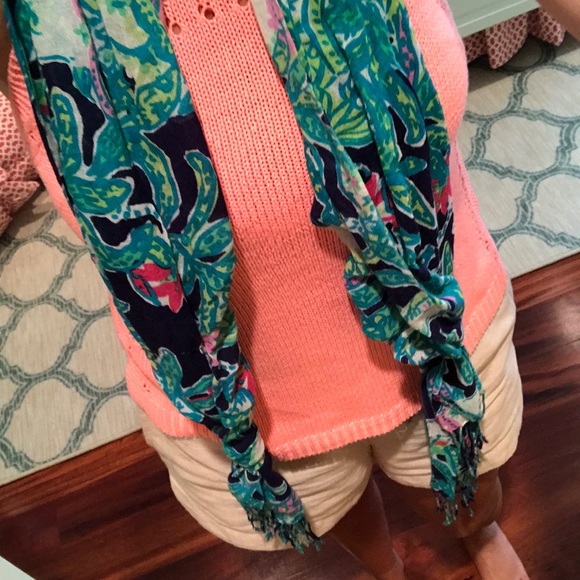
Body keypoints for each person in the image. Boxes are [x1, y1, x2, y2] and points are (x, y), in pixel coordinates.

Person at [1, 1, 577, 579]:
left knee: (473, 495)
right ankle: (387, 569)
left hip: (441, 332)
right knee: (337, 514)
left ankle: (480, 535)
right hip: (247, 406)